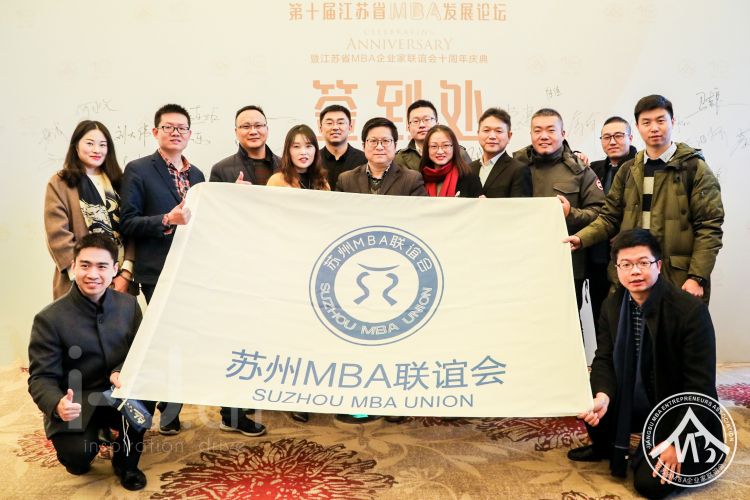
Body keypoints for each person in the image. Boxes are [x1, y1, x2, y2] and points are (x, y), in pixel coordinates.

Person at [569, 229, 721, 499]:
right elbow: (603, 359)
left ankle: (677, 450)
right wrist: (603, 396)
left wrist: (677, 441)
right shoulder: (612, 306)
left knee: (648, 485)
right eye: (626, 265)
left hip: (676, 408)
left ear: (658, 266)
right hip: (633, 398)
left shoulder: (689, 311)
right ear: (617, 269)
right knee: (590, 396)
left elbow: (700, 387)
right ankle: (607, 445)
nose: (635, 271)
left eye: (643, 262)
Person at [566, 95, 724, 303]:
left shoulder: (694, 169)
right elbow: (609, 217)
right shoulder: (629, 169)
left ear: (672, 122)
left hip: (678, 278)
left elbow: (709, 228)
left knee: (675, 325)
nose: (654, 128)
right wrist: (581, 238)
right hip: (633, 277)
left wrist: (697, 277)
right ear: (638, 127)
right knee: (630, 325)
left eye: (661, 120)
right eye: (646, 122)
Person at [28, 234, 153, 490]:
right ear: (74, 266)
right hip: (76, 400)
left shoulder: (129, 305)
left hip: (116, 393)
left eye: (102, 266)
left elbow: (139, 352)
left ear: (115, 269)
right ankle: (85, 442)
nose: (92, 274)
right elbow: (41, 377)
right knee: (78, 458)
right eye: (85, 265)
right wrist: (57, 404)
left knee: (145, 395)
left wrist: (119, 370)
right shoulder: (49, 319)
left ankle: (126, 463)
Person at [120, 103, 205, 435]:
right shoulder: (139, 169)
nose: (175, 133)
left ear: (189, 134)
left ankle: (171, 407)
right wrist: (167, 219)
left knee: (185, 340)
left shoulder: (197, 176)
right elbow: (128, 222)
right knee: (163, 341)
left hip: (191, 272)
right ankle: (155, 406)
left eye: (181, 128)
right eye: (168, 127)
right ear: (155, 132)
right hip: (156, 271)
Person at [513, 108, 605, 309]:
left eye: (551, 130)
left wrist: (570, 214)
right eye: (537, 130)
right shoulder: (515, 165)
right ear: (531, 134)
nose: (544, 136)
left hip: (566, 264)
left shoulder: (580, 169)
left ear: (563, 134)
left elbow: (600, 213)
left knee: (566, 321)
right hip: (522, 262)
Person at [44, 120, 135, 299]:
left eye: (102, 145)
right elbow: (57, 234)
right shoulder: (60, 182)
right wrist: (86, 276)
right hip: (79, 281)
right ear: (76, 146)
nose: (96, 150)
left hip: (119, 282)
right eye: (90, 143)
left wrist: (126, 273)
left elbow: (131, 227)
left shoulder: (120, 182)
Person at [586, 117, 637, 325]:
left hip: (628, 257)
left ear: (630, 138)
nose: (612, 141)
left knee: (627, 319)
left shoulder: (640, 167)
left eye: (618, 136)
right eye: (606, 137)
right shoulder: (594, 169)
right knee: (601, 317)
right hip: (597, 257)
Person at [336, 117, 427, 196]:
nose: (379, 147)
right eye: (373, 141)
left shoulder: (412, 179)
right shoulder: (346, 180)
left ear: (395, 146)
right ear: (363, 146)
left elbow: (419, 210)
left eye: (386, 141)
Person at [209, 105, 280, 185]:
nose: (253, 132)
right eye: (246, 126)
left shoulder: (286, 166)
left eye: (258, 126)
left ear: (267, 129)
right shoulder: (220, 170)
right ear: (236, 132)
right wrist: (232, 191)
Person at [394, 99, 471, 171]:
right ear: (408, 127)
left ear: (437, 124)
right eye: (416, 121)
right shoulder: (400, 158)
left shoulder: (459, 153)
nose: (421, 125)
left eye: (427, 119)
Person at [469, 108, 529, 198]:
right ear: (478, 134)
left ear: (509, 136)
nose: (492, 136)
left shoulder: (519, 170)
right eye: (486, 130)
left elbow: (520, 206)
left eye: (499, 131)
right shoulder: (469, 169)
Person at [419, 124, 482, 198]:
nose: (440, 151)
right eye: (434, 146)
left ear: (454, 147)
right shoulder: (420, 178)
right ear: (427, 149)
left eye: (445, 145)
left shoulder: (469, 177)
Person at [268, 124, 330, 190]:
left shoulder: (323, 183)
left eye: (308, 146)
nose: (303, 152)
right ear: (288, 151)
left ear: (316, 150)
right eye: (296, 146)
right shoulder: (276, 181)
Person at [318, 104, 366, 189]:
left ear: (350, 127)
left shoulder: (364, 159)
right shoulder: (313, 160)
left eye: (340, 123)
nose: (335, 127)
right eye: (329, 123)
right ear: (321, 128)